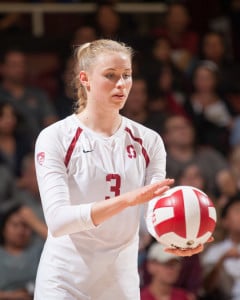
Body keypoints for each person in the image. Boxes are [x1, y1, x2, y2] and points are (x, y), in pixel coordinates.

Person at [33, 39, 206, 300]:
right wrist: (128, 200)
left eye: (127, 76)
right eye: (110, 76)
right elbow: (58, 222)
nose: (121, 84)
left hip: (120, 282)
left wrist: (180, 237)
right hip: (64, 281)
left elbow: (153, 214)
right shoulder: (55, 137)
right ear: (85, 79)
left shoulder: (149, 141)